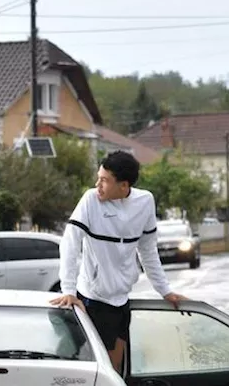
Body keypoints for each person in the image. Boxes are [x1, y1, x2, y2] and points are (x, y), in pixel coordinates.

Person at [50, 151, 189, 374]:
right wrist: (68, 290)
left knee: (116, 371)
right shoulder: (90, 200)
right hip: (92, 299)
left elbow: (148, 251)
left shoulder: (145, 201)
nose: (98, 185)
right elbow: (70, 243)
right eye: (98, 178)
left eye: (104, 180)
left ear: (124, 186)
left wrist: (165, 291)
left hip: (121, 301)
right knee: (94, 371)